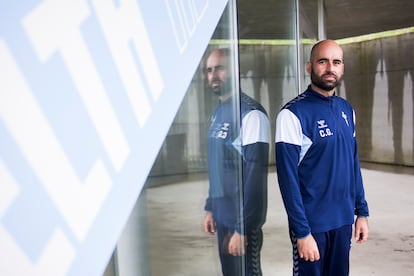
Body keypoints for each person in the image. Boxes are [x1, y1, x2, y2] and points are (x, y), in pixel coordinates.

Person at [275, 39, 370, 276]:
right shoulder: (292, 114)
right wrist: (302, 232)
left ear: (342, 68)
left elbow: (353, 165)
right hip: (312, 227)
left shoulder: (347, 110)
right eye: (323, 61)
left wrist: (362, 212)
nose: (330, 68)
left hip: (342, 221)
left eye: (336, 62)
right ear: (309, 67)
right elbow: (288, 181)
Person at [203, 48, 270, 276]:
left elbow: (255, 178)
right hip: (222, 217)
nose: (213, 75)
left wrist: (243, 229)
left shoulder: (251, 114)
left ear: (236, 72)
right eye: (209, 70)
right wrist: (210, 207)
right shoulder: (218, 113)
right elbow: (216, 166)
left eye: (219, 68)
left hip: (242, 223)